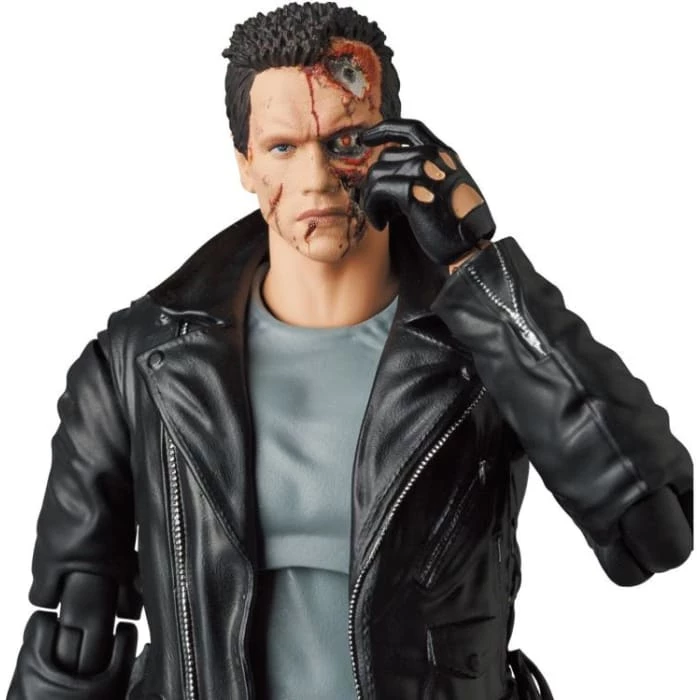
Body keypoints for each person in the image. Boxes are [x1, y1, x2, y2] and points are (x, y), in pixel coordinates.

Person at [6, 3, 693, 699]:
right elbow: (75, 634)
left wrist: (476, 268)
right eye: (282, 147)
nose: (316, 178)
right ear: (245, 164)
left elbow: (651, 532)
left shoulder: (484, 347)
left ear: (395, 145)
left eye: (346, 140)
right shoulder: (140, 364)